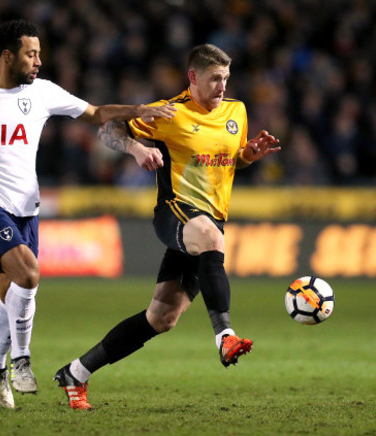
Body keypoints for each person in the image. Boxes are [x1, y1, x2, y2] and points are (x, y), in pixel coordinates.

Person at [0, 19, 175, 409]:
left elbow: (94, 113)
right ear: (8, 56)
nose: (39, 61)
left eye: (39, 53)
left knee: (12, 292)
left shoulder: (41, 93)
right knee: (28, 273)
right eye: (31, 54)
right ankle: (20, 361)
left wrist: (138, 110)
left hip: (27, 209)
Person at [54, 44, 281, 410]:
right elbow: (107, 130)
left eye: (225, 78)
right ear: (193, 77)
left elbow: (227, 161)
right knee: (211, 237)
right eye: (214, 79)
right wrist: (135, 148)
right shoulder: (168, 112)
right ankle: (225, 336)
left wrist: (247, 155)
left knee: (161, 318)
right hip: (174, 212)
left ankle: (76, 373)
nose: (222, 86)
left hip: (209, 219)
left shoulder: (236, 111)